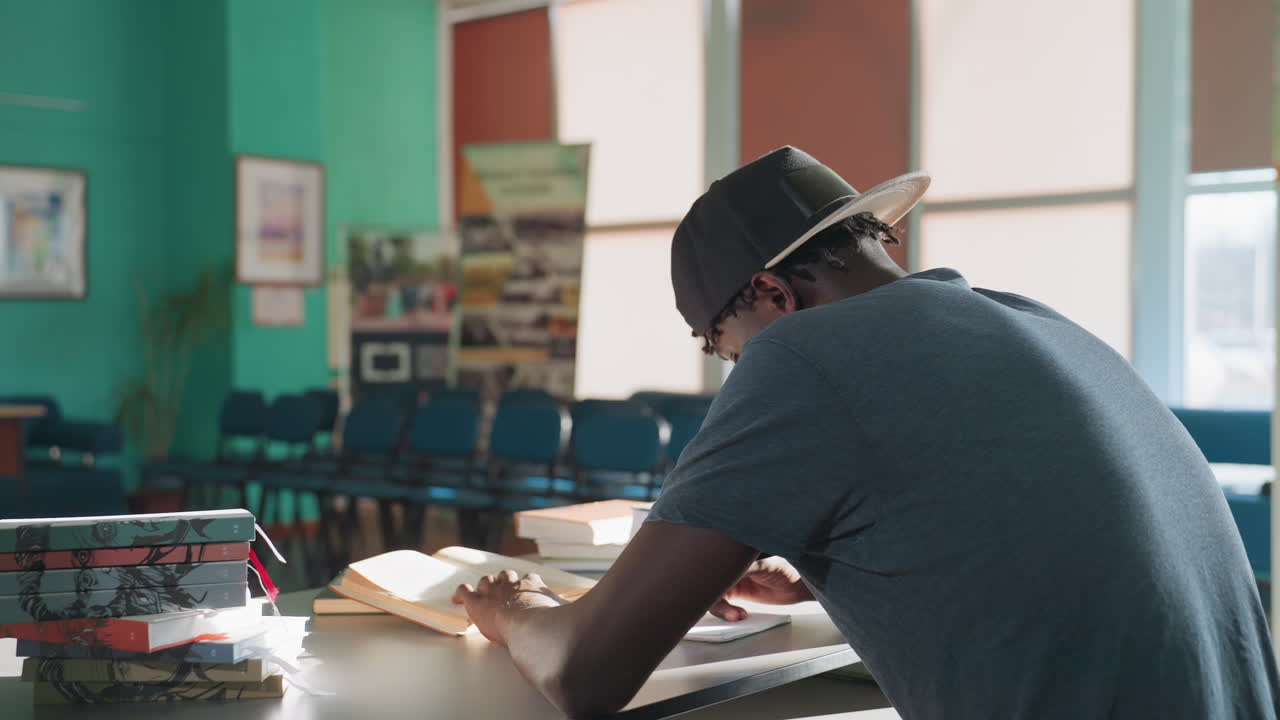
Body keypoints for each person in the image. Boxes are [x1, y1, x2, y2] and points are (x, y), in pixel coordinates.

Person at [453, 146, 1280, 718]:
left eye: (727, 354)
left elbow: (585, 672)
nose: (740, 375)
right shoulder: (1032, 320)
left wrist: (514, 609)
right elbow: (1050, 530)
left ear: (773, 295)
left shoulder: (806, 357)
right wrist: (830, 574)